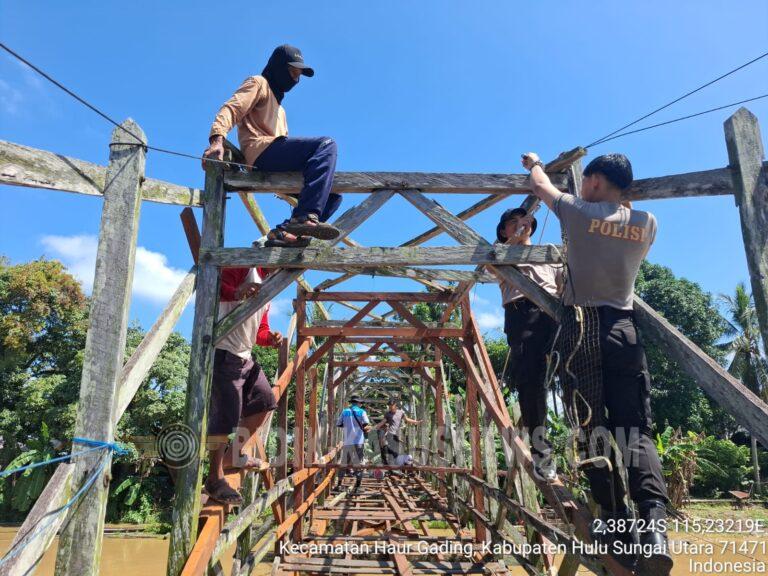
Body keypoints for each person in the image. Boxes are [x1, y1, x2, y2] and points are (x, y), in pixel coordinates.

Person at [521, 152, 672, 575]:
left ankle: (614, 522)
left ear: (596, 180)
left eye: (587, 180)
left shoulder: (575, 210)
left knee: (591, 428)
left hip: (581, 330)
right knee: (636, 429)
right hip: (624, 329)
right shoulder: (647, 223)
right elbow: (619, 214)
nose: (582, 185)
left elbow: (539, 184)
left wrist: (532, 161)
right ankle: (654, 527)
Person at [203, 45, 342, 247]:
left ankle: (286, 234)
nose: (296, 79)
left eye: (299, 75)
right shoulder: (258, 83)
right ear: (279, 67)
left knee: (332, 197)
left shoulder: (281, 110)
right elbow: (231, 109)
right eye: (293, 72)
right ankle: (303, 218)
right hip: (261, 151)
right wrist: (217, 139)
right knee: (326, 145)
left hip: (276, 156)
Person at [205, 267, 283, 505]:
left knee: (265, 400)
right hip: (223, 350)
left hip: (244, 356)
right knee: (224, 415)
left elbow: (260, 331)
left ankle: (233, 456)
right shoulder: (245, 267)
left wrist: (270, 339)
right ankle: (214, 478)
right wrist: (237, 291)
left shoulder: (269, 286)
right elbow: (212, 286)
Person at [496, 208, 563, 482]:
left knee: (577, 372)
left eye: (525, 223)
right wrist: (517, 236)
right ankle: (541, 452)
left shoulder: (549, 251)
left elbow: (564, 282)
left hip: (555, 313)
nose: (521, 227)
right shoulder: (499, 253)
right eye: (513, 223)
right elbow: (495, 259)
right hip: (522, 314)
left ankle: (590, 448)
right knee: (531, 382)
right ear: (503, 231)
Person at [333, 394, 371, 493]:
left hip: (347, 441)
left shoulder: (345, 411)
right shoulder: (362, 412)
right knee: (358, 464)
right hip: (359, 441)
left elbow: (339, 424)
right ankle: (357, 487)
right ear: (358, 403)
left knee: (344, 463)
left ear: (351, 402)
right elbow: (366, 425)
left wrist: (348, 425)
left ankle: (339, 485)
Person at [374, 398, 421, 465]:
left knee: (395, 450)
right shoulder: (388, 414)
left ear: (395, 405)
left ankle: (393, 463)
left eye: (391, 406)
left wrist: (416, 422)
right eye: (389, 406)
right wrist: (375, 428)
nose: (390, 407)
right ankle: (389, 462)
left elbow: (406, 419)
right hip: (390, 434)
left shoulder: (401, 412)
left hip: (397, 435)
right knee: (389, 448)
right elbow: (382, 422)